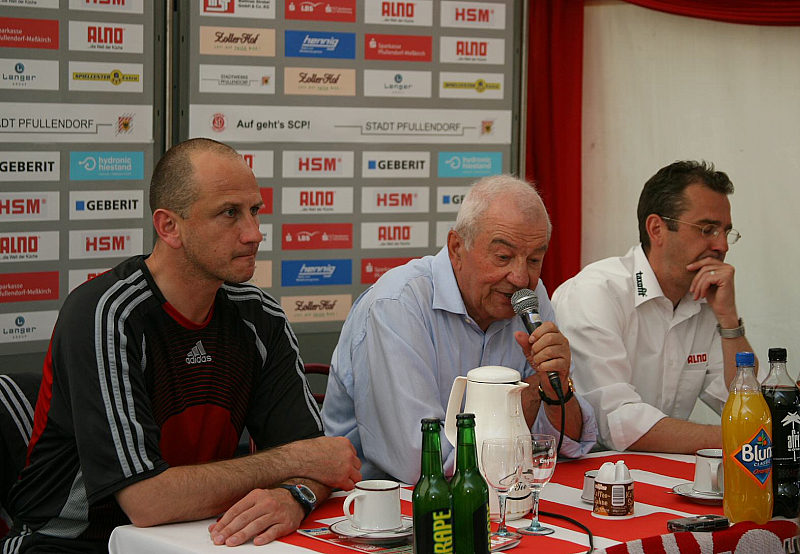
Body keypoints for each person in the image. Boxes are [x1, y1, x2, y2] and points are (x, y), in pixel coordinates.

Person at [2, 138, 362, 553]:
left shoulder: (259, 315)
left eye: (255, 210)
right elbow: (146, 500)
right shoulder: (105, 313)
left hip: (205, 535)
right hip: (73, 542)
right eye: (230, 213)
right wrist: (293, 464)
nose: (254, 233)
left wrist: (294, 495)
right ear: (169, 226)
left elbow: (323, 461)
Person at [322, 175, 597, 484]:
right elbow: (421, 462)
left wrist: (554, 385)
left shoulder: (529, 298)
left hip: (498, 489)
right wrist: (527, 397)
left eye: (534, 259)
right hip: (385, 507)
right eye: (503, 257)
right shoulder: (397, 304)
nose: (521, 277)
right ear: (456, 248)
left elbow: (567, 445)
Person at [552, 161, 753, 453]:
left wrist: (729, 319)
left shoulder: (706, 300)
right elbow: (616, 422)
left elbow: (750, 405)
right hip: (586, 480)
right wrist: (739, 439)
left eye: (726, 232)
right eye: (708, 229)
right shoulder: (596, 292)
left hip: (658, 476)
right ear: (657, 229)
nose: (722, 245)